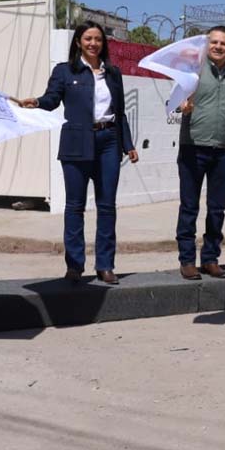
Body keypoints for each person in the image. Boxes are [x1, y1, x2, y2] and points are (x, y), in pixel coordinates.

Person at [20, 22, 138, 284]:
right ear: (78, 42)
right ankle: (75, 266)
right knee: (75, 206)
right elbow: (52, 99)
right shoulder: (64, 71)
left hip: (109, 141)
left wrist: (127, 145)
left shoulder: (113, 73)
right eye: (88, 38)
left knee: (107, 207)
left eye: (98, 39)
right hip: (76, 142)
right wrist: (37, 102)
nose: (93, 43)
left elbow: (120, 113)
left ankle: (105, 265)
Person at [176, 26, 225, 280]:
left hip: (222, 150)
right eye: (214, 42)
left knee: (217, 208)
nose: (218, 47)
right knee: (189, 207)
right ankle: (187, 260)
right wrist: (182, 107)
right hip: (192, 147)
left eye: (224, 44)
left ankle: (210, 258)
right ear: (207, 46)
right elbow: (173, 103)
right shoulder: (192, 71)